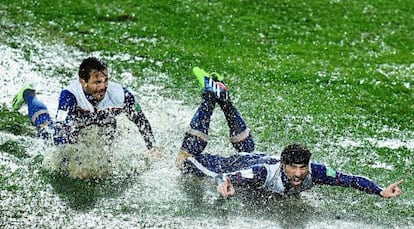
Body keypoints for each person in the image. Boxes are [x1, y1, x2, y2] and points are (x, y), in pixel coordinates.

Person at [176, 67, 403, 199]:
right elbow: (227, 176)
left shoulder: (317, 171)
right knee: (185, 161)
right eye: (293, 167)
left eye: (302, 167)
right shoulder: (261, 175)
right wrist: (223, 183)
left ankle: (223, 99)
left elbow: (349, 179)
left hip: (256, 157)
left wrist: (380, 190)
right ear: (284, 164)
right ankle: (210, 97)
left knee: (249, 150)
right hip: (239, 163)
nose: (298, 173)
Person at [11, 57, 156, 150]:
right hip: (76, 121)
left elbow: (141, 120)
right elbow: (62, 135)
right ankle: (28, 94)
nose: (103, 87)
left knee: (107, 134)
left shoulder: (121, 95)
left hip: (103, 120)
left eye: (105, 81)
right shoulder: (69, 96)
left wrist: (153, 149)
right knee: (46, 132)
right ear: (83, 82)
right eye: (97, 82)